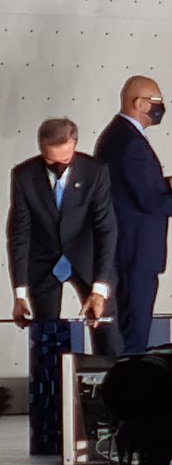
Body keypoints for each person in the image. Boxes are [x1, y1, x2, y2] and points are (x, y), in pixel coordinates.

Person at [94, 76, 172, 354]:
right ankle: (128, 388)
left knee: (131, 327)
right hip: (135, 249)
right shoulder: (129, 141)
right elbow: (148, 201)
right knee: (134, 332)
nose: (161, 107)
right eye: (157, 102)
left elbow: (135, 189)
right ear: (138, 103)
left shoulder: (121, 135)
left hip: (129, 247)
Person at [6, 118, 117, 352]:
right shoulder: (23, 176)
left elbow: (105, 228)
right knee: (48, 340)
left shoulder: (94, 172)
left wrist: (99, 288)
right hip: (44, 262)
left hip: (87, 259)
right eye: (50, 160)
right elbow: (19, 234)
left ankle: (110, 386)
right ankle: (53, 388)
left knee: (106, 334)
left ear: (74, 145)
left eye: (65, 160)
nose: (58, 166)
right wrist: (20, 293)